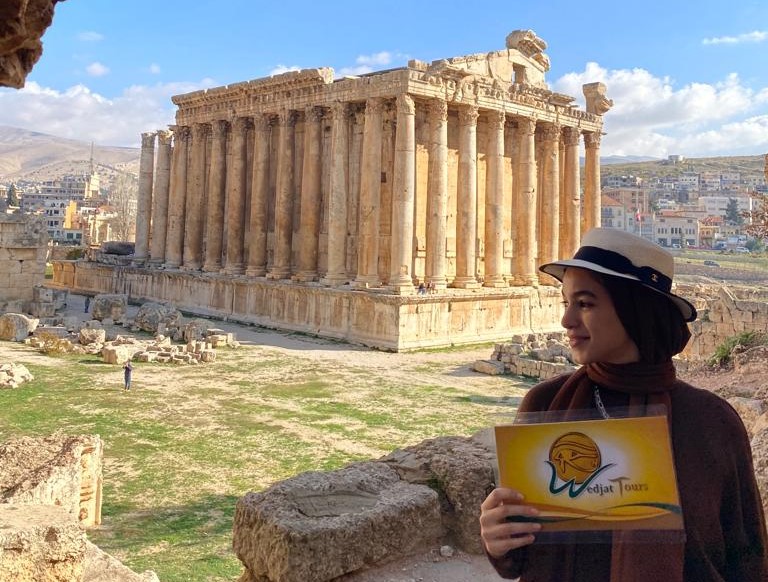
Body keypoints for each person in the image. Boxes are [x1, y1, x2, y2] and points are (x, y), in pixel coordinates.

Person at [479, 228, 767, 581]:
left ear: (635, 310)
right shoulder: (545, 405)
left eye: (585, 303)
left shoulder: (712, 422)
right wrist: (498, 541)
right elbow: (522, 554)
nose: (567, 320)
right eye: (566, 303)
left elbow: (748, 557)